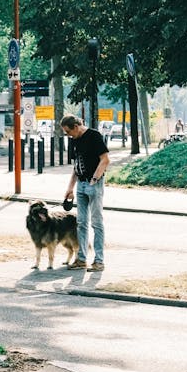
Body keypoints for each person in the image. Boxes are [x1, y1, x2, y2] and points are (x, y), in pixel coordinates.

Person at [61, 114, 110, 272]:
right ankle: (81, 259)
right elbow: (76, 166)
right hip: (81, 184)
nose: (68, 135)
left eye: (68, 132)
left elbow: (105, 160)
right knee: (81, 223)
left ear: (76, 126)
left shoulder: (94, 136)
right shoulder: (74, 141)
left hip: (94, 183)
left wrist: (95, 179)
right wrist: (70, 188)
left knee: (96, 222)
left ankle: (99, 261)